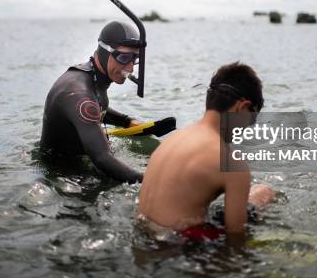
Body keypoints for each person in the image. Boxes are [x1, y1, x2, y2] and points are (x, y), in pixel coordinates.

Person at [138, 62, 275, 240]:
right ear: (242, 108)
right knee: (264, 193)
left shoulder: (170, 141)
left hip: (142, 239)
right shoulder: (230, 162)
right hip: (180, 248)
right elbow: (236, 239)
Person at [39, 21, 145, 183]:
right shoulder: (78, 92)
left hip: (83, 165)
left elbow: (95, 107)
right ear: (103, 52)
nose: (130, 68)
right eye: (124, 57)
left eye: (135, 58)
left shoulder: (92, 76)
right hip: (64, 179)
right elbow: (103, 158)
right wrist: (151, 182)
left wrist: (127, 122)